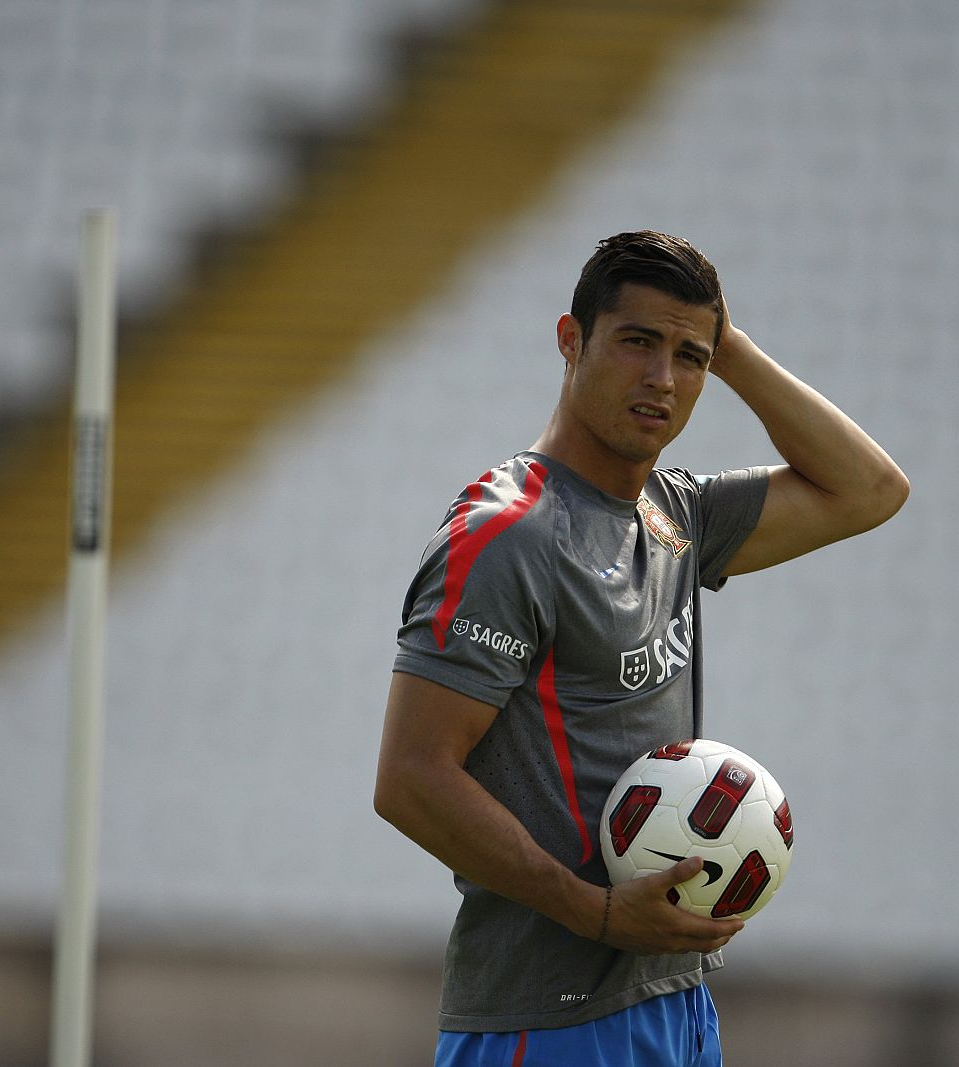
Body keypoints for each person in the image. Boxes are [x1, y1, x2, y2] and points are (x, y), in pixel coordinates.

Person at [375, 231, 907, 1066]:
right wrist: (596, 911)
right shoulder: (508, 536)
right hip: (546, 1019)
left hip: (673, 1000)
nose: (663, 378)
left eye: (689, 355)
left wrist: (727, 345)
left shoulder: (676, 515)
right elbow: (410, 778)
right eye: (637, 342)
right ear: (570, 339)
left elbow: (870, 488)